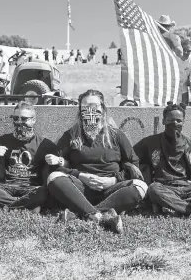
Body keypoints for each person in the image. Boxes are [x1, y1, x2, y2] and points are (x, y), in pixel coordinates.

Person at [45, 89, 148, 234]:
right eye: (85, 107)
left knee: (141, 186)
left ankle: (83, 214)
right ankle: (102, 216)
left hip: (112, 190)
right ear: (80, 111)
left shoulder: (116, 135)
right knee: (54, 178)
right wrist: (81, 176)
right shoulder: (71, 135)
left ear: (103, 109)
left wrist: (113, 180)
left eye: (94, 106)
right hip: (81, 189)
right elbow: (56, 167)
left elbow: (134, 165)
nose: (90, 111)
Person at [0, 102, 56, 212]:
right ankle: (23, 207)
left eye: (24, 119)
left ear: (33, 120)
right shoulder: (4, 140)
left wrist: (56, 160)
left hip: (31, 188)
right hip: (5, 187)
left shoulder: (44, 144)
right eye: (16, 118)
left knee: (46, 192)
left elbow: (61, 166)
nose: (19, 122)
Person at [133, 102, 191, 217]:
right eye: (170, 120)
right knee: (153, 189)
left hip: (187, 188)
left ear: (183, 122)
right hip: (163, 187)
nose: (174, 123)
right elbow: (132, 156)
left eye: (178, 120)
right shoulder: (150, 142)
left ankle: (171, 205)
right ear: (163, 121)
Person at [177, 39, 191, 105]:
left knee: (184, 105)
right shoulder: (173, 57)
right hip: (171, 84)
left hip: (183, 86)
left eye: (190, 51)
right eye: (185, 50)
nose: (187, 52)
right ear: (181, 48)